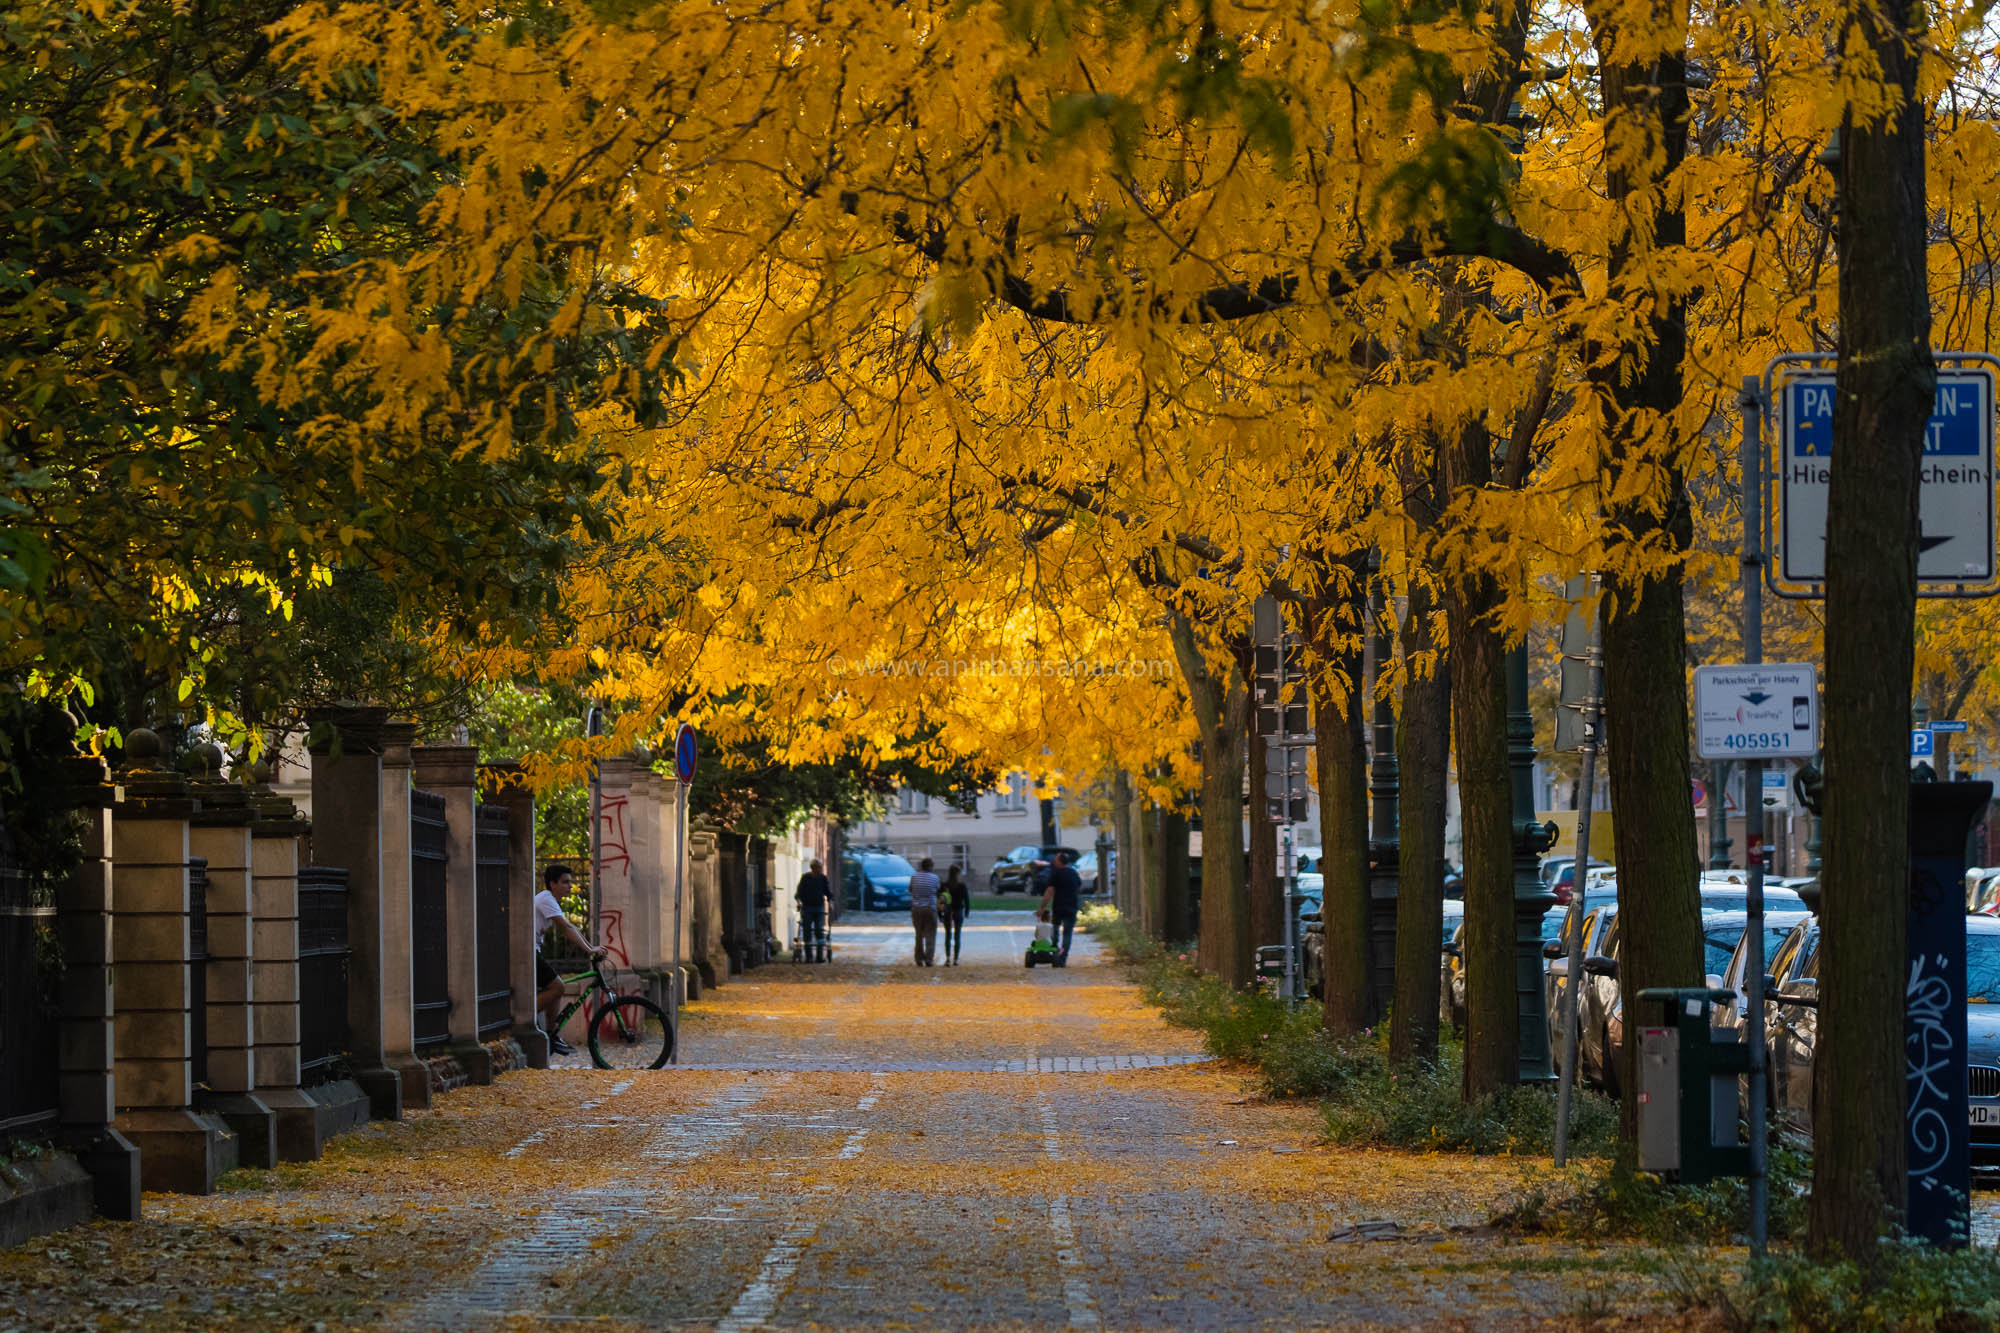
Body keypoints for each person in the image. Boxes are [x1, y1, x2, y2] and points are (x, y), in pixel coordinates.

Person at [535, 864, 605, 1055]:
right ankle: (524, 1019)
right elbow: (566, 928)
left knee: (555, 988)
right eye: (565, 882)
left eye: (570, 882)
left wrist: (590, 948)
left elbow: (570, 928)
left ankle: (551, 1035)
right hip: (527, 952)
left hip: (534, 951)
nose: (569, 886)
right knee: (558, 987)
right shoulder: (545, 898)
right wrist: (590, 949)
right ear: (552, 883)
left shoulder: (550, 900)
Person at [1038, 850, 1084, 967]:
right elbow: (1079, 889)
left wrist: (1042, 907)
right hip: (1072, 907)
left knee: (1055, 929)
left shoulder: (1055, 874)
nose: (1054, 861)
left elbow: (1049, 891)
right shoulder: (1073, 873)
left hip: (1059, 906)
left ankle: (1055, 953)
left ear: (1059, 861)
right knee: (1067, 934)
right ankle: (1062, 958)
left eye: (1056, 859)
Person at [795, 859, 833, 959]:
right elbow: (799, 892)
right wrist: (799, 902)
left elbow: (827, 892)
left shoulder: (823, 878)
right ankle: (809, 956)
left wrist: (831, 901)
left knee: (819, 929)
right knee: (807, 929)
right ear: (813, 868)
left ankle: (820, 956)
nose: (820, 869)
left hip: (819, 907)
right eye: (819, 867)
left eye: (820, 867)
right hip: (807, 907)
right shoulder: (805, 878)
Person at [908, 857, 941, 966]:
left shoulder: (914, 877)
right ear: (930, 866)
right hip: (930, 908)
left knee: (918, 934)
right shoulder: (935, 878)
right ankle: (929, 959)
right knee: (930, 934)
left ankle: (918, 958)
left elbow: (910, 889)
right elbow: (937, 891)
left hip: (916, 909)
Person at [938, 865, 968, 965]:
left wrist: (940, 914)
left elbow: (941, 900)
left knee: (948, 935)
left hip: (947, 911)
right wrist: (967, 911)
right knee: (957, 934)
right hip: (958, 910)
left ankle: (947, 958)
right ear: (958, 874)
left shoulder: (944, 885)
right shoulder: (961, 885)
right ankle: (956, 959)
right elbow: (966, 899)